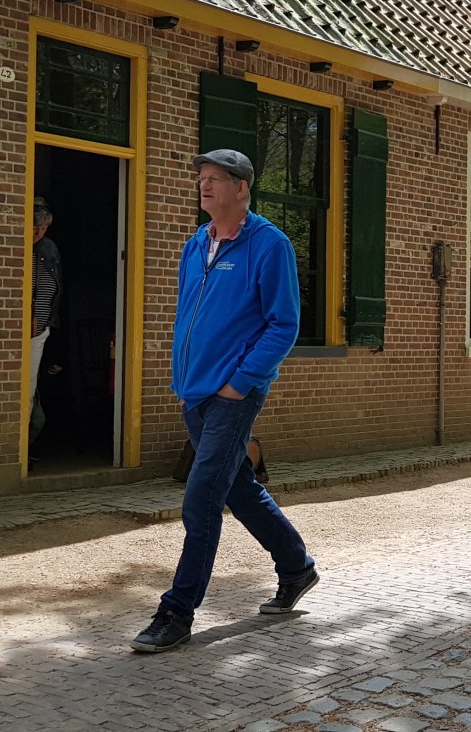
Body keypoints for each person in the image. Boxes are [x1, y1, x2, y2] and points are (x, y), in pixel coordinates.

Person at [131, 149, 318, 653]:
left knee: (201, 497)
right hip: (194, 391)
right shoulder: (196, 245)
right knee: (237, 488)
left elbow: (284, 323)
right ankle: (297, 567)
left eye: (215, 179)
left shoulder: (269, 244)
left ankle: (177, 611)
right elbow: (187, 317)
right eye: (202, 179)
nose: (204, 186)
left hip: (234, 394)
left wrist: (242, 380)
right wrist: (182, 376)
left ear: (242, 188)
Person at [29, 198, 62, 460]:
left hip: (39, 330)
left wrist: (44, 323)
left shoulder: (48, 250)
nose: (37, 234)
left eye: (42, 230)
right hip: (29, 328)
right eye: (34, 228)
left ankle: (26, 446)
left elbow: (51, 290)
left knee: (31, 390)